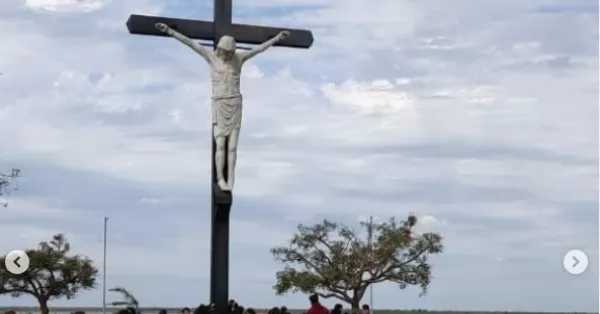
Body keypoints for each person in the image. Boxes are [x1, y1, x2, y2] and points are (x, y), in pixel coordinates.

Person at [155, 22, 291, 192]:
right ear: (219, 49)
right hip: (219, 104)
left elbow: (258, 49)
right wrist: (169, 31)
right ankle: (220, 178)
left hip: (235, 104)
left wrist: (277, 39)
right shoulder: (211, 57)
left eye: (229, 52)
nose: (226, 55)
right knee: (220, 144)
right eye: (224, 52)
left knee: (233, 147)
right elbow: (191, 43)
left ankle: (231, 180)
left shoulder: (239, 59)